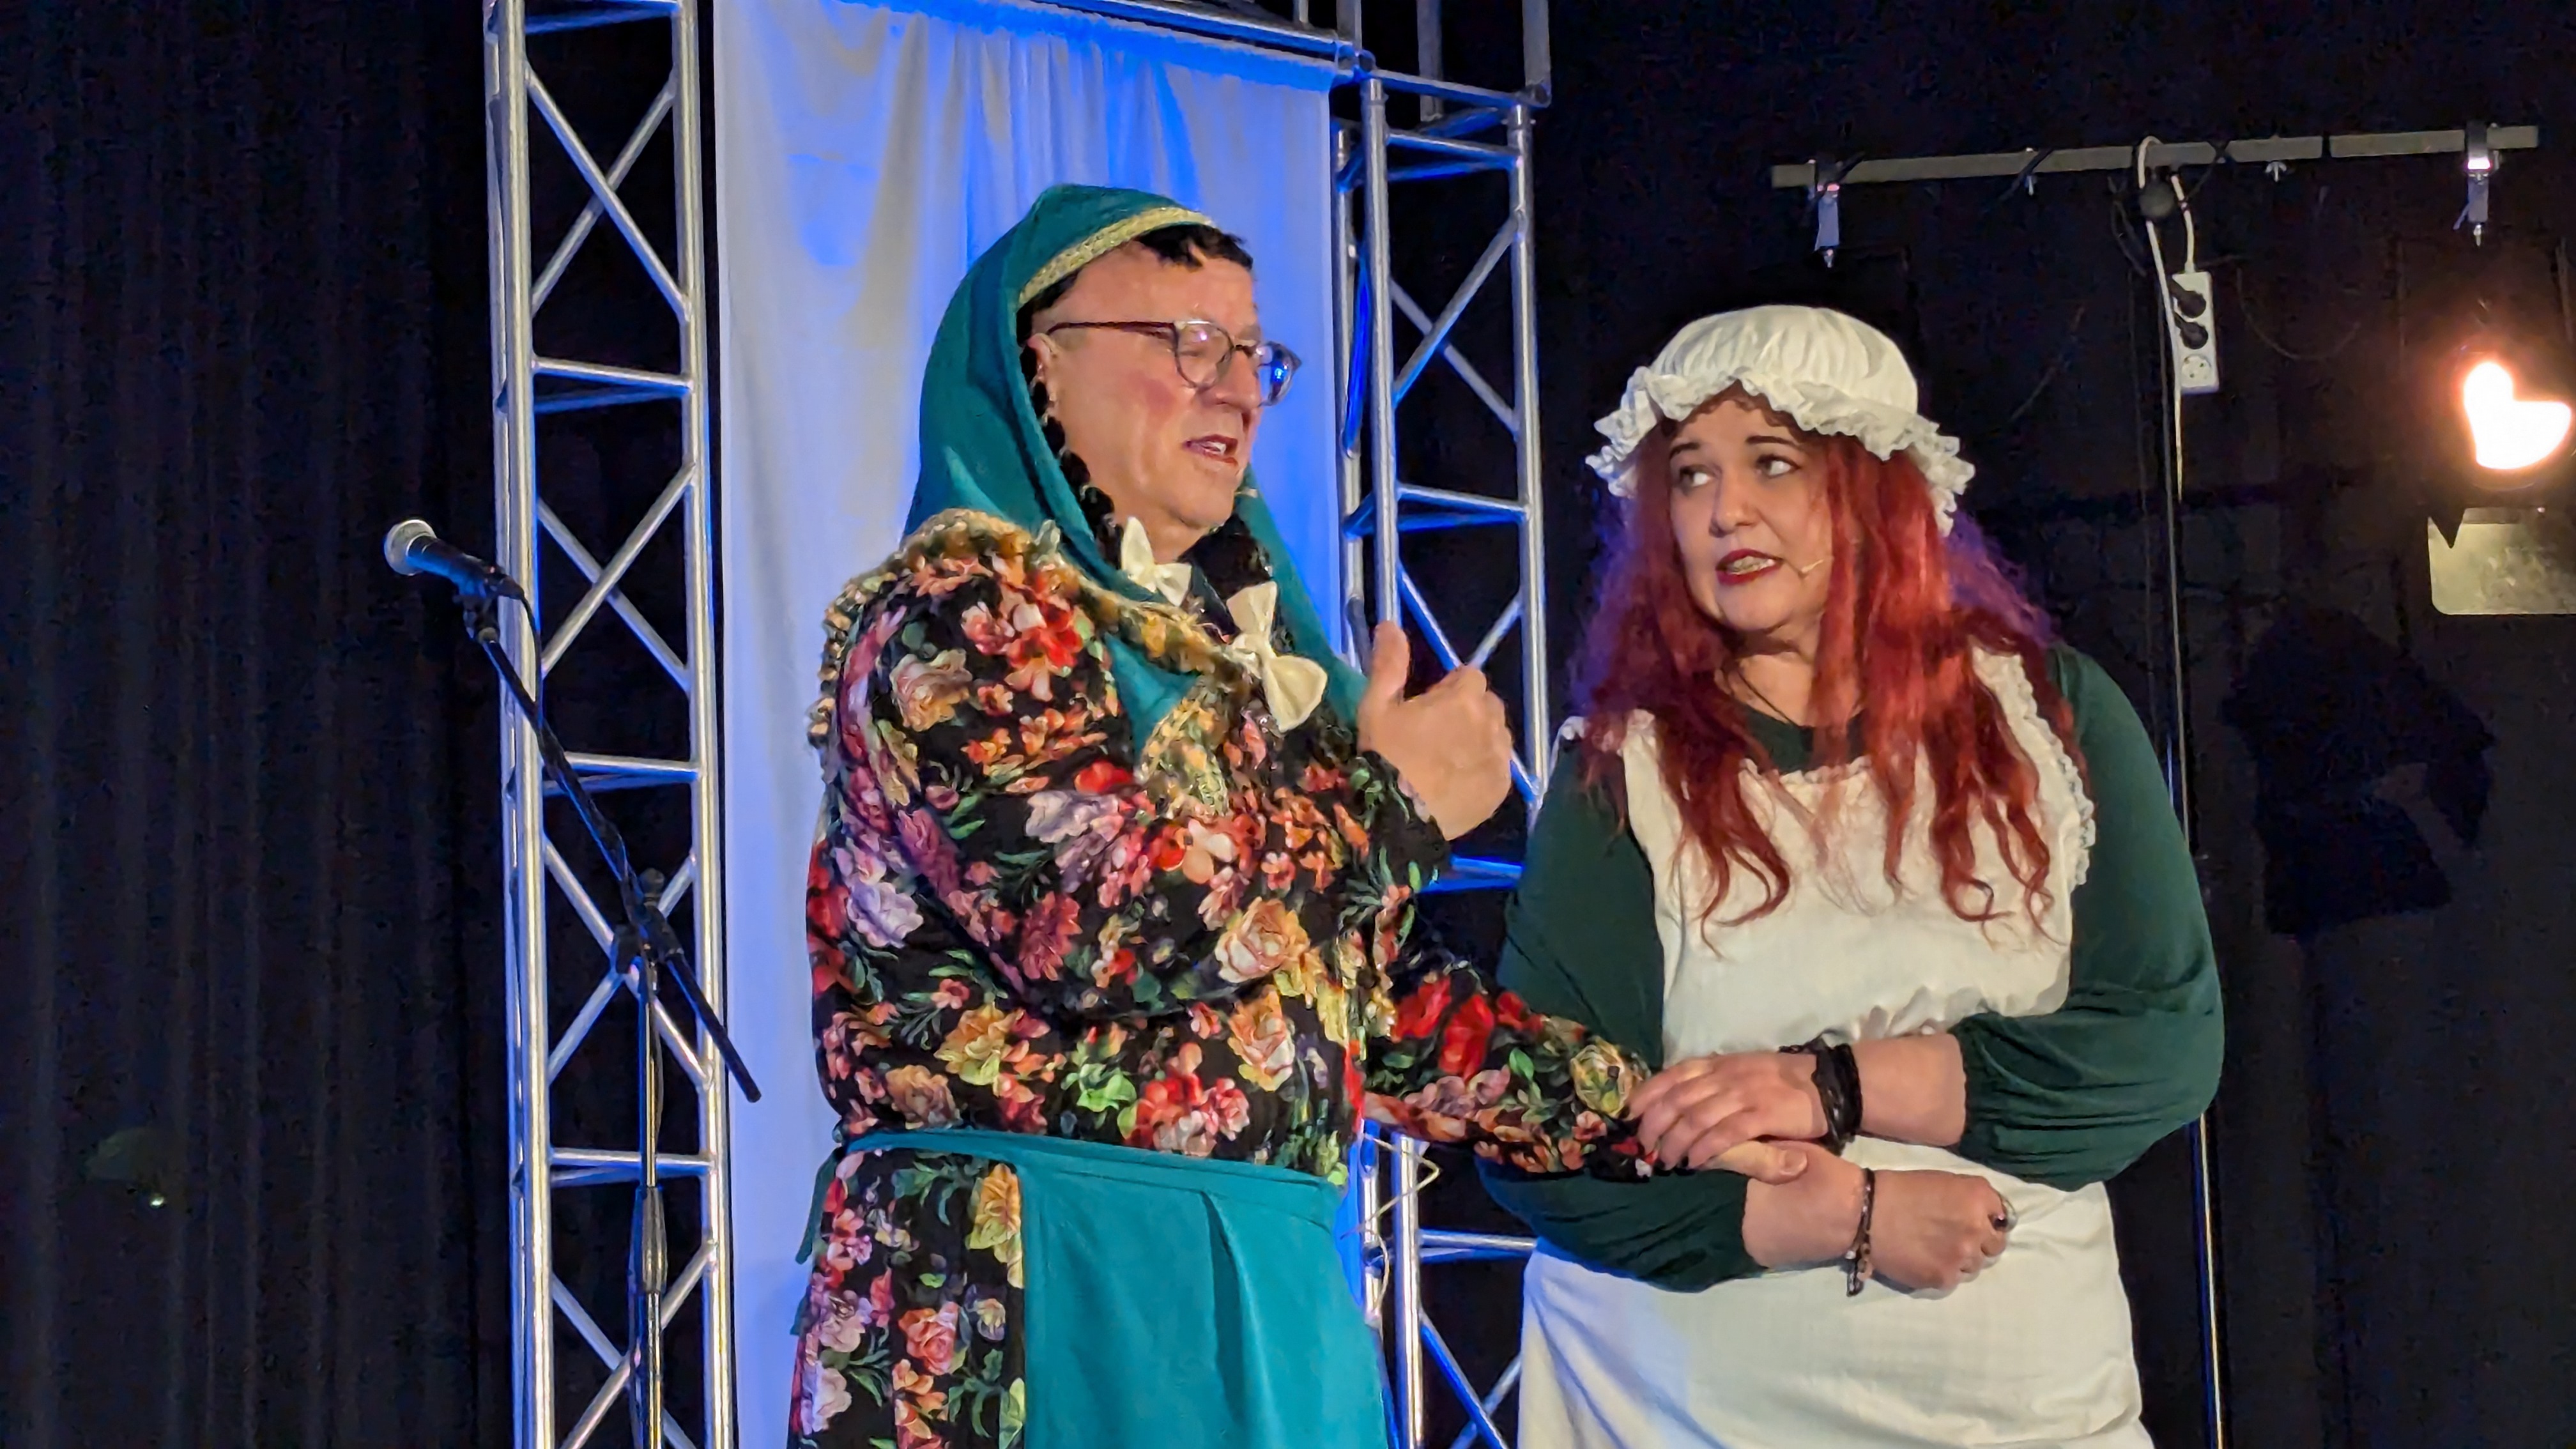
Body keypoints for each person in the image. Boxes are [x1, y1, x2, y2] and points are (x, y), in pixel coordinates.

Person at [788, 185, 1701, 1449]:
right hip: (1039, 1278)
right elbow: (1101, 926)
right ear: (1038, 364)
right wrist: (1396, 805)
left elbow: (1375, 1009)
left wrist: (1669, 1121)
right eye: (1186, 343)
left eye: (1253, 355)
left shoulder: (1245, 670)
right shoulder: (962, 619)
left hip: (1254, 1280)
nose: (1236, 391)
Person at [1478, 305, 2226, 1447]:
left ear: (1875, 490)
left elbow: (2162, 1046)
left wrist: (1833, 1085)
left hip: (2019, 1412)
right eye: (1690, 475)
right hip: (1696, 1415)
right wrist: (1847, 1213)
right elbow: (1545, 1133)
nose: (1724, 511)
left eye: (1772, 463)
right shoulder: (1623, 776)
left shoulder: (2044, 715)